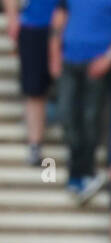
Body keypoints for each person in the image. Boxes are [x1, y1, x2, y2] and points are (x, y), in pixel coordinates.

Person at [48, 0, 111, 201]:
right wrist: (54, 53)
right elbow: (60, 17)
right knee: (66, 114)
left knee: (90, 118)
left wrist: (109, 57)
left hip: (99, 62)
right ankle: (78, 172)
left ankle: (82, 173)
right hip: (70, 60)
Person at [4, 0, 57, 166]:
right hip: (33, 25)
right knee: (34, 89)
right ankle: (35, 143)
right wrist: (13, 18)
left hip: (67, 28)